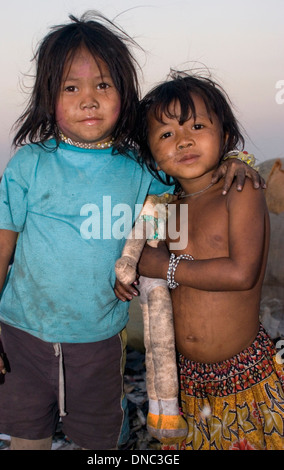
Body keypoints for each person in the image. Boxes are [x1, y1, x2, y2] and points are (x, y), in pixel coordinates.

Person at [0, 12, 262, 451]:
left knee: (100, 441)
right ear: (47, 97)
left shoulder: (138, 168)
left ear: (124, 93)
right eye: (70, 88)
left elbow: (187, 185)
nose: (88, 100)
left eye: (103, 85)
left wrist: (235, 160)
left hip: (100, 339)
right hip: (23, 333)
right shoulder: (29, 164)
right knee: (26, 438)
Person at [135, 72, 284, 450]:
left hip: (246, 377)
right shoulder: (166, 210)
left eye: (198, 125)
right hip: (186, 384)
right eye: (165, 134)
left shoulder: (239, 188)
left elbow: (241, 273)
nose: (183, 140)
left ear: (226, 135)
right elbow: (147, 275)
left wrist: (164, 267)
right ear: (152, 154)